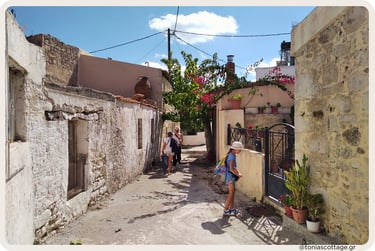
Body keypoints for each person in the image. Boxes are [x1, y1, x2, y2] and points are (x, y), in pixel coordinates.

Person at [223, 141, 244, 216]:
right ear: (235, 149)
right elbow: (231, 169)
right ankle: (226, 210)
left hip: (231, 176)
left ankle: (231, 209)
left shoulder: (232, 154)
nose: (240, 151)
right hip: (230, 177)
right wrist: (238, 174)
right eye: (239, 149)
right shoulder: (231, 156)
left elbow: (234, 167)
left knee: (232, 193)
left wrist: (238, 173)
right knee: (231, 194)